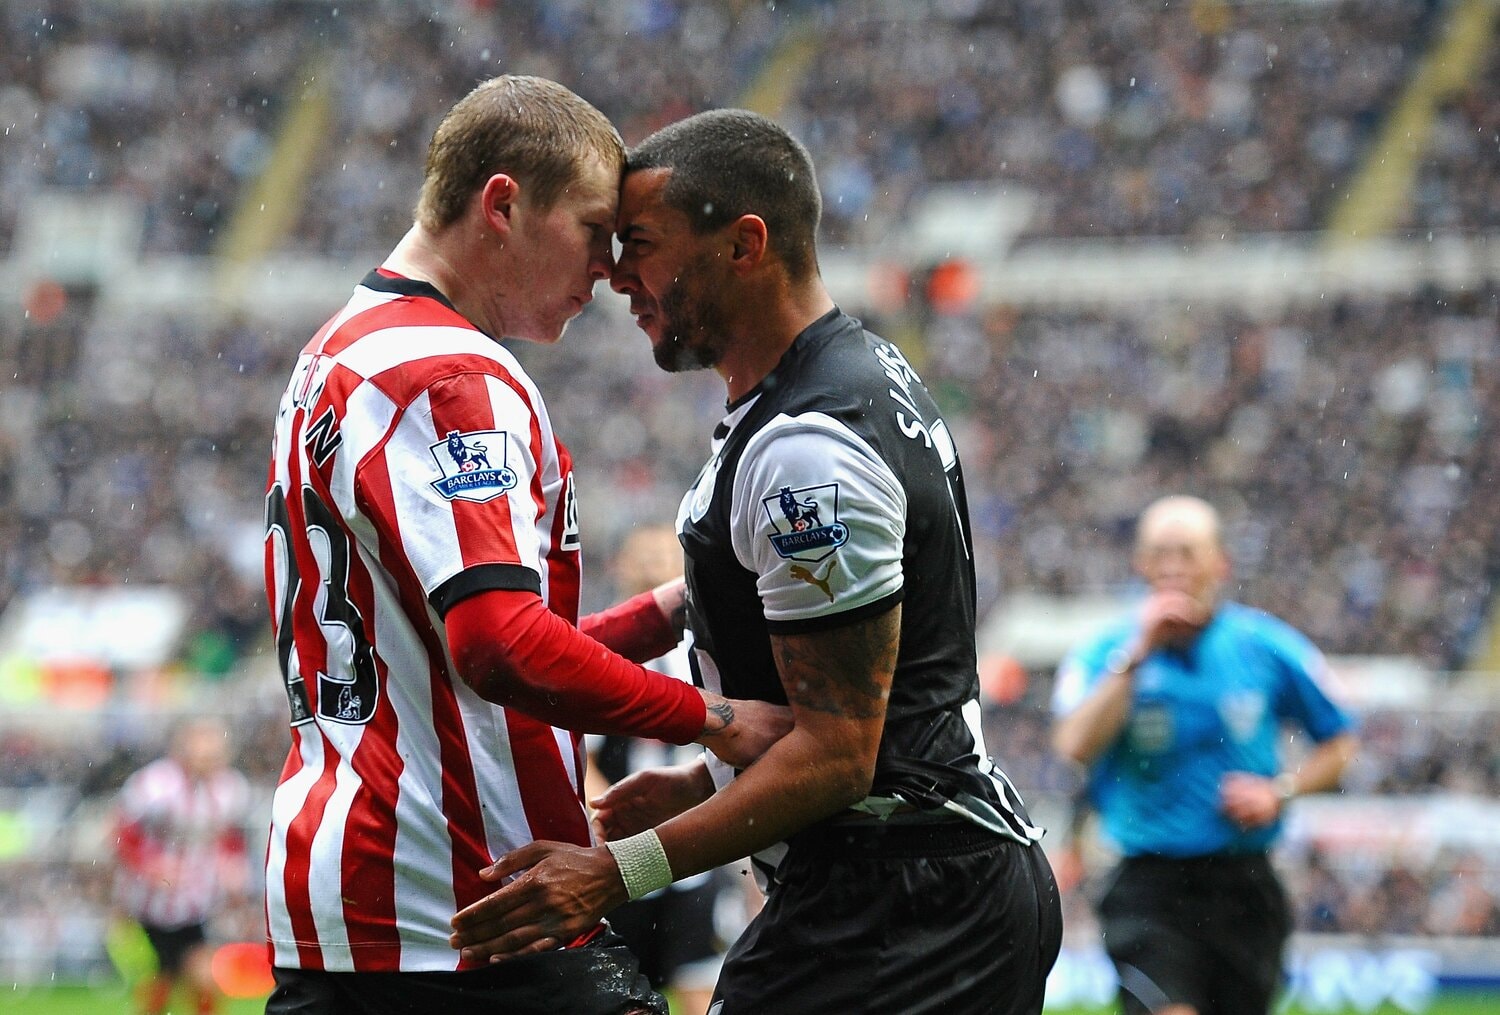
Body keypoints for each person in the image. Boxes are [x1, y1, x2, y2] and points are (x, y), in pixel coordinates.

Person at [450, 108, 1063, 1015]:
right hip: (907, 884)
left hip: (905, 900)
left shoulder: (809, 446)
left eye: (643, 244)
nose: (617, 275)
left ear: (744, 245)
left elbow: (839, 752)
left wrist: (618, 871)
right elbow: (846, 683)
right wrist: (708, 777)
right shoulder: (833, 383)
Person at [261, 77, 787, 1015]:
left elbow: (465, 646)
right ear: (502, 203)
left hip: (350, 886)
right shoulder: (451, 373)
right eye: (593, 231)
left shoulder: (340, 351)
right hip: (469, 896)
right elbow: (500, 645)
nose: (612, 270)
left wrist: (661, 616)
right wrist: (711, 718)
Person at [1050, 495, 1360, 1015]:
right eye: (1160, 553)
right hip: (1149, 887)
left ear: (1221, 563)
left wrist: (1280, 791)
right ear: (1140, 565)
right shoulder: (1107, 653)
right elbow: (1072, 746)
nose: (1173, 567)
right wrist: (1137, 656)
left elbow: (1342, 745)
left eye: (1187, 552)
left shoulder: (1265, 646)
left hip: (1244, 886)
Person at [584, 524, 742, 1015]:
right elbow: (581, 755)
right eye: (642, 554)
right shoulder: (597, 655)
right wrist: (612, 814)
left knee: (699, 989)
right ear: (623, 567)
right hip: (624, 853)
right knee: (611, 993)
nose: (652, 563)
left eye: (662, 554)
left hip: (693, 859)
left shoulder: (706, 654)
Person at [112, 718, 250, 1015]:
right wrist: (149, 866)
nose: (210, 761)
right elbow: (122, 832)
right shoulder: (155, 785)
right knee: (162, 982)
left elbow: (230, 837)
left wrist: (233, 868)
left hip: (196, 901)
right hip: (150, 904)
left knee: (203, 977)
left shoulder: (229, 789)